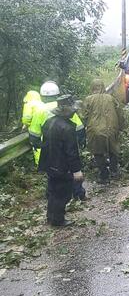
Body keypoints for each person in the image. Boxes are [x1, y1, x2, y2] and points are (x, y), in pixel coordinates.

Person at [29, 81, 87, 200]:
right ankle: (78, 193)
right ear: (57, 94)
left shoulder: (39, 110)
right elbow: (79, 127)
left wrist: (37, 144)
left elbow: (34, 134)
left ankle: (51, 196)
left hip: (48, 150)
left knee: (52, 175)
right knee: (72, 170)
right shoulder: (65, 108)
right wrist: (81, 140)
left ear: (42, 95)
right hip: (66, 147)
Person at [38, 95, 84, 227]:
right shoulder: (68, 128)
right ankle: (58, 220)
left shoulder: (49, 122)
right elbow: (71, 152)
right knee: (62, 193)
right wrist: (77, 170)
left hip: (50, 164)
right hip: (61, 166)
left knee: (52, 191)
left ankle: (50, 217)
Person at [80, 79, 125, 184]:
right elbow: (120, 113)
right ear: (103, 87)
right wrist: (121, 127)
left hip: (95, 131)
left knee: (98, 152)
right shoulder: (111, 98)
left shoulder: (88, 99)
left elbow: (84, 116)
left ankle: (103, 175)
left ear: (92, 87)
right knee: (113, 151)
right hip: (111, 129)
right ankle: (114, 172)